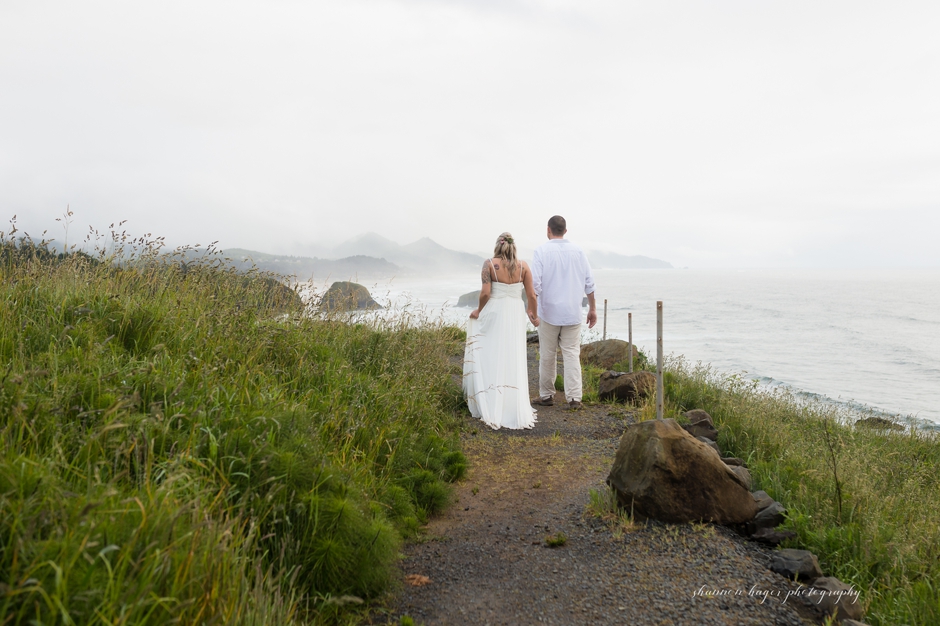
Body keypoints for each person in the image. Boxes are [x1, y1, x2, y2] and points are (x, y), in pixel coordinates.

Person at [463, 232, 540, 429]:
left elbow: (486, 293)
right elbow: (531, 294)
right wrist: (533, 314)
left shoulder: (489, 264)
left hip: (495, 311)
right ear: (513, 247)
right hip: (515, 312)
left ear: (497, 245)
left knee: (490, 351)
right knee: (512, 354)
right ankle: (512, 403)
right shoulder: (524, 266)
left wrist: (479, 311)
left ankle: (490, 397)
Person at [530, 215, 597, 410]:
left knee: (547, 354)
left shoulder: (541, 251)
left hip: (549, 312)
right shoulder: (578, 251)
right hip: (572, 313)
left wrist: (533, 310)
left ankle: (546, 395)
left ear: (548, 230)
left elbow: (535, 285)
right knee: (571, 354)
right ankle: (575, 398)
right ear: (565, 231)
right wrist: (592, 308)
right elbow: (589, 283)